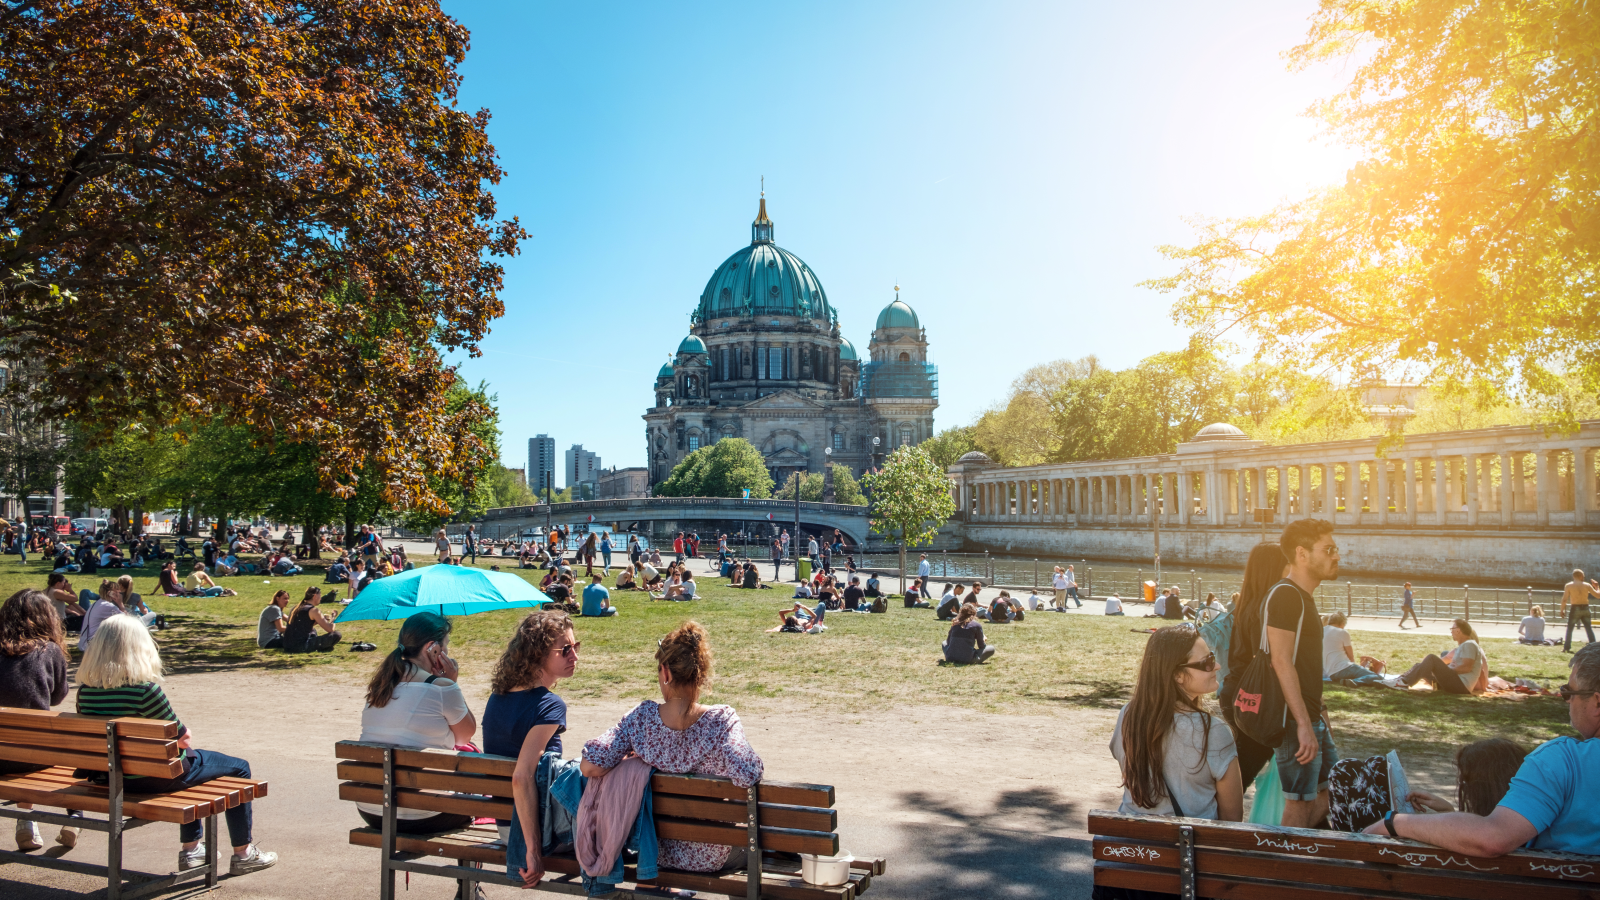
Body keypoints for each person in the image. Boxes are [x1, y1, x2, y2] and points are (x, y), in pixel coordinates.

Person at [77, 616, 277, 874]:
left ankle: (193, 849)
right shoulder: (145, 692)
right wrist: (187, 734)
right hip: (156, 778)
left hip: (112, 779)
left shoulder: (85, 693)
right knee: (238, 767)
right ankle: (243, 854)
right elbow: (182, 738)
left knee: (186, 762)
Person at [1362, 642, 1600, 856]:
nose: (1567, 700)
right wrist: (1450, 813)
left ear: (1597, 702)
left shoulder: (1562, 760)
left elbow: (1493, 837)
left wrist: (1396, 823)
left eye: (1569, 692)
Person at [581, 621, 763, 873]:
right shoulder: (722, 721)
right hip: (711, 856)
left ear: (665, 673)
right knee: (762, 846)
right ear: (701, 676)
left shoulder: (641, 719)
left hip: (654, 853)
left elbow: (589, 766)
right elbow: (747, 773)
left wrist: (633, 759)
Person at [356, 612, 477, 833]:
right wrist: (453, 683)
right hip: (424, 814)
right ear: (433, 648)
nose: (448, 653)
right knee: (475, 778)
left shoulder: (381, 686)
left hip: (372, 810)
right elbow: (464, 737)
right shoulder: (441, 687)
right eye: (446, 645)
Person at [483, 610, 577, 890]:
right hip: (534, 834)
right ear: (538, 654)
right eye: (565, 649)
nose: (575, 656)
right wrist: (533, 851)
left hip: (503, 827)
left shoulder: (497, 698)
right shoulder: (549, 705)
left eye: (576, 646)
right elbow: (521, 777)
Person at [1110, 624, 1243, 821]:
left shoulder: (1129, 714)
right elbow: (1232, 816)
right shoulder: (1213, 731)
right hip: (1191, 840)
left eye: (1212, 657)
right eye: (1207, 662)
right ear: (1177, 675)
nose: (1217, 666)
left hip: (1130, 838)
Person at [1261, 520, 1340, 828]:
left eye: (1336, 549)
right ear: (1302, 554)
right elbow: (1281, 661)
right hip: (1294, 719)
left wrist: (1318, 714)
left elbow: (1304, 667)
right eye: (1328, 549)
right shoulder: (1286, 595)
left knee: (1333, 790)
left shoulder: (1300, 596)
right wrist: (1304, 725)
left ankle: (1296, 850)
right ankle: (1282, 856)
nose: (1336, 556)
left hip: (1308, 715)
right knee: (1299, 802)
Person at [1, 589, 80, 851]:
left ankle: (27, 821)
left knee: (22, 744)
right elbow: (57, 697)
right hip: (34, 756)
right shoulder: (49, 650)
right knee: (77, 750)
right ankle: (74, 816)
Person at [1220, 543, 1297, 793]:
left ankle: (1212, 808)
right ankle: (1211, 813)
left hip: (1236, 691)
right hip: (1257, 697)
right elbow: (1275, 660)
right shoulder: (1267, 611)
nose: (1291, 568)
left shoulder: (1247, 605)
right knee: (1242, 772)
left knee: (1240, 767)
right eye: (1286, 563)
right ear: (1274, 568)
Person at [1396, 618, 1488, 695]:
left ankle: (1404, 683)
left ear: (1458, 630)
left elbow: (1466, 668)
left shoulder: (1469, 644)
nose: (1451, 632)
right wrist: (1442, 671)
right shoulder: (1465, 645)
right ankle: (1400, 680)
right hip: (1455, 684)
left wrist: (1446, 671)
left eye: (1452, 629)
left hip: (1461, 687)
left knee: (1431, 658)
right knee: (1420, 666)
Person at [1322, 611, 1384, 685]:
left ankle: (1349, 681)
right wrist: (1358, 667)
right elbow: (1350, 657)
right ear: (1342, 623)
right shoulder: (1343, 632)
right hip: (1343, 669)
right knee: (1377, 677)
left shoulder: (1321, 631)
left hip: (1331, 674)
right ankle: (1355, 681)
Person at [283, 587, 342, 653]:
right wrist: (333, 617)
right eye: (320, 596)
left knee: (313, 631)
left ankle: (324, 647)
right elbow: (330, 629)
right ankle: (323, 647)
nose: (321, 598)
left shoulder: (296, 607)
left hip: (288, 646)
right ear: (315, 596)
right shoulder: (313, 610)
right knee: (337, 634)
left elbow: (302, 625)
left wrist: (318, 621)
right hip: (301, 646)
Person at [1560, 569, 1600, 653]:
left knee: (1570, 628)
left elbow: (1564, 599)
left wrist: (1562, 610)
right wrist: (1597, 587)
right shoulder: (1587, 585)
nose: (1584, 577)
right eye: (1583, 576)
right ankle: (1593, 647)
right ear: (1580, 576)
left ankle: (1566, 648)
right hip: (1585, 607)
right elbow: (1598, 595)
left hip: (1575, 608)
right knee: (1588, 628)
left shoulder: (1569, 585)